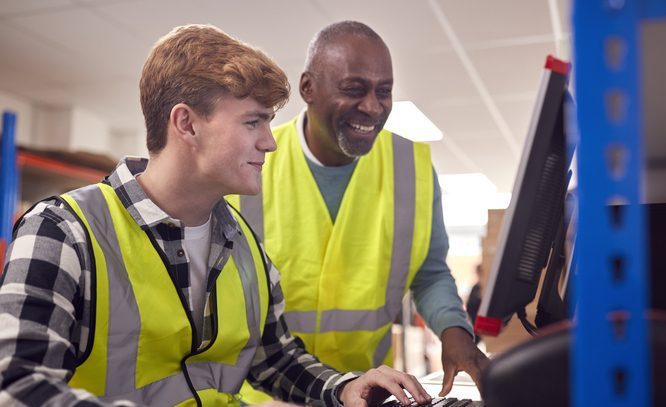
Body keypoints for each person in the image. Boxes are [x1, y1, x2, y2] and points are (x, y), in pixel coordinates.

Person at [0, 24, 433, 407]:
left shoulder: (243, 242)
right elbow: (16, 386)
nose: (270, 142)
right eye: (252, 123)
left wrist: (343, 388)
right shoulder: (64, 231)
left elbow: (274, 357)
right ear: (187, 125)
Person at [229, 20, 489, 398]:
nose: (372, 106)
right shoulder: (253, 162)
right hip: (265, 395)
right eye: (354, 89)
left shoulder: (411, 168)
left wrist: (456, 333)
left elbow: (429, 273)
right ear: (308, 88)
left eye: (384, 91)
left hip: (365, 392)